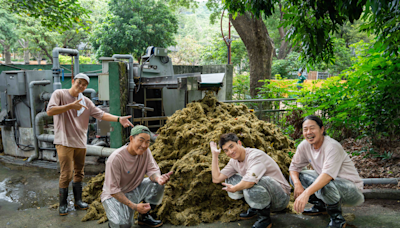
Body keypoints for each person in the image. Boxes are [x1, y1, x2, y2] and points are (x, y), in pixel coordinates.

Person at [47, 73, 134, 216]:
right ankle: (62, 205)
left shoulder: (86, 101)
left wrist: (119, 119)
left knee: (80, 172)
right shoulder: (59, 94)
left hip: (80, 141)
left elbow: (100, 114)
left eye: (84, 84)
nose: (81, 86)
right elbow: (50, 111)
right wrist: (71, 106)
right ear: (73, 81)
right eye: (79, 82)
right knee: (67, 173)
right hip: (64, 141)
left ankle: (78, 201)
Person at [289, 115, 364, 228]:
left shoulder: (332, 146)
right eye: (305, 129)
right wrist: (297, 184)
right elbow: (293, 168)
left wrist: (305, 193)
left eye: (312, 128)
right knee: (296, 177)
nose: (309, 132)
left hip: (351, 191)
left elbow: (327, 176)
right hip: (331, 185)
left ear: (322, 129)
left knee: (324, 184)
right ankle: (320, 207)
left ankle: (337, 219)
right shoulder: (304, 145)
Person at [210, 133, 291, 228]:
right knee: (232, 178)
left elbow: (250, 182)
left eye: (232, 146)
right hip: (266, 194)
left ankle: (265, 220)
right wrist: (215, 155)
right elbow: (216, 178)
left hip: (280, 198)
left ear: (239, 143)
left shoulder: (255, 156)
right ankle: (256, 208)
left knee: (252, 181)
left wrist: (235, 188)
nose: (230, 152)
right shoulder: (234, 161)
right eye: (226, 150)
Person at [101, 125, 173, 228]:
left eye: (147, 142)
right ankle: (114, 221)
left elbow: (152, 170)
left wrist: (158, 178)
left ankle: (144, 217)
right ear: (131, 139)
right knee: (123, 225)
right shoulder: (116, 159)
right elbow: (113, 190)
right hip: (113, 196)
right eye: (141, 140)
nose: (144, 145)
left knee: (157, 184)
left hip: (134, 189)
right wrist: (134, 206)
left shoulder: (145, 152)